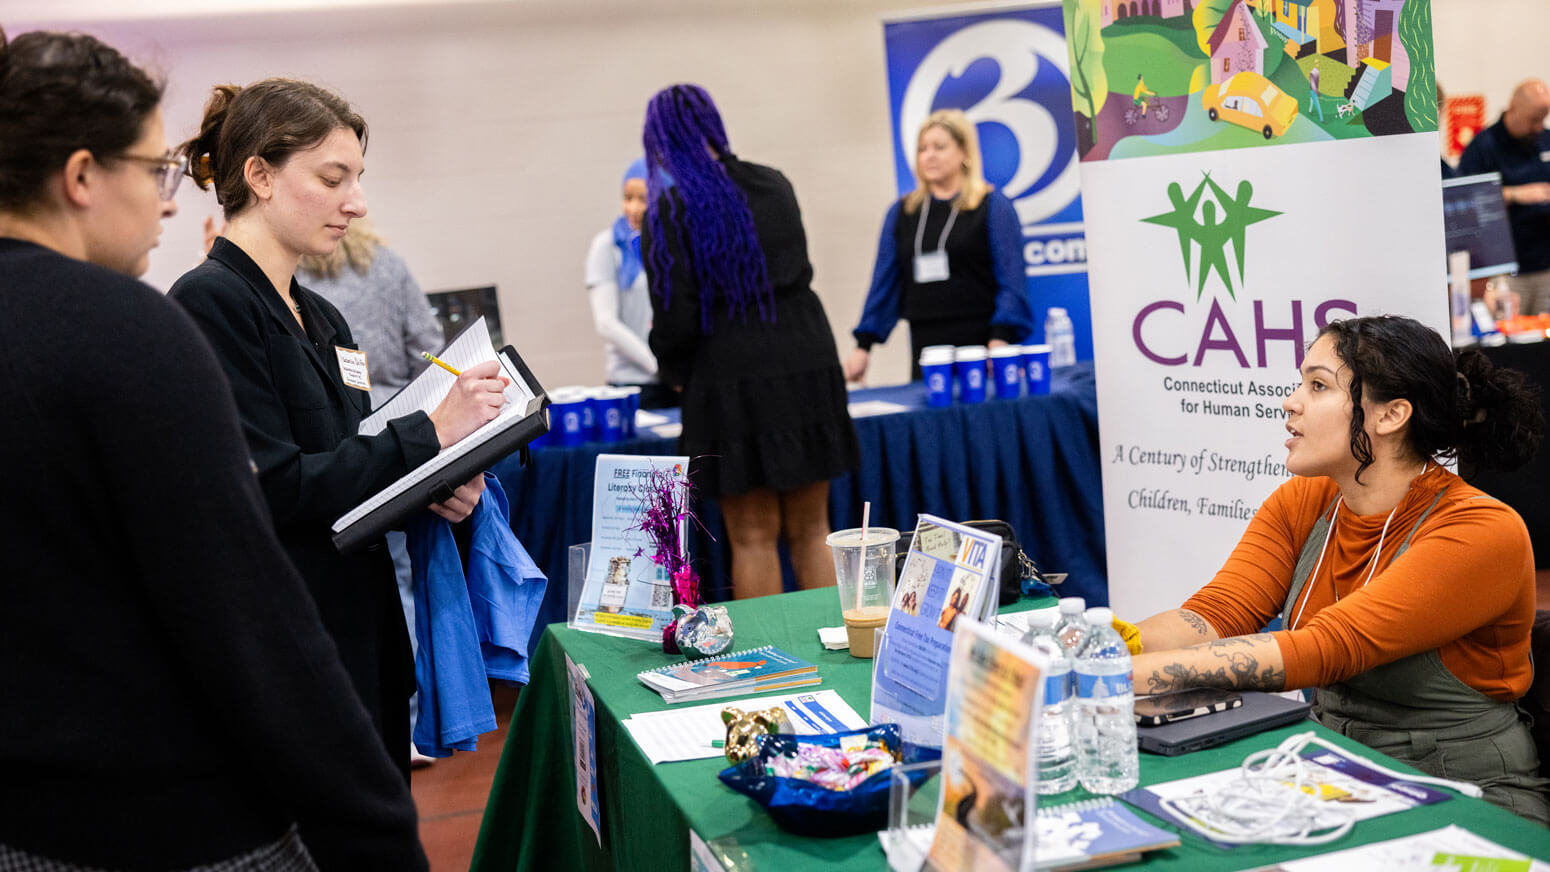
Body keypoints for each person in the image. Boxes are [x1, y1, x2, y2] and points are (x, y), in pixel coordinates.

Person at [0, 28, 426, 869]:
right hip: (149, 801)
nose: (169, 199)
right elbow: (239, 596)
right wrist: (372, 821)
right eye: (153, 171)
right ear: (83, 176)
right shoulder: (143, 326)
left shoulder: (316, 318)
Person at [170, 78, 508, 779]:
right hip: (288, 643)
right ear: (259, 175)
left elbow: (351, 470)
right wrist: (427, 436)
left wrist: (435, 485)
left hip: (363, 636)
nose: (356, 202)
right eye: (333, 178)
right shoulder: (209, 305)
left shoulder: (323, 319)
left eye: (357, 178)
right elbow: (275, 489)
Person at [1130, 316, 1548, 824]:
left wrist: (1113, 677)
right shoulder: (1306, 499)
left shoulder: (1481, 531)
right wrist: (1102, 645)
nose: (1291, 401)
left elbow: (1326, 650)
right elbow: (1216, 613)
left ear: (1391, 415)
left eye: (1318, 385)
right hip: (1338, 773)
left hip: (1464, 792)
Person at [642, 83, 860, 599]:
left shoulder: (671, 210)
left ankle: (772, 671)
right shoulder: (774, 184)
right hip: (806, 362)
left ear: (662, 144)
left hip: (730, 381)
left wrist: (671, 372)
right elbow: (799, 269)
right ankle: (833, 649)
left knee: (754, 537)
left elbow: (677, 319)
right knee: (813, 529)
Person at [297, 216, 445, 767]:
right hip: (401, 430)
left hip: (335, 447)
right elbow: (430, 353)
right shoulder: (388, 265)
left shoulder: (291, 283)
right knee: (402, 578)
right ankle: (411, 722)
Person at [844, 109, 1033, 383]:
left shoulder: (992, 206)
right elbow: (883, 284)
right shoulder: (902, 212)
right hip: (926, 346)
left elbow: (1012, 279)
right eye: (922, 149)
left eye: (939, 147)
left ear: (964, 152)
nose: (929, 156)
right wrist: (863, 345)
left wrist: (1000, 338)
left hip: (982, 343)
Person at [586, 157, 674, 407]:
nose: (633, 209)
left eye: (644, 199)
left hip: (678, 381)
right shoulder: (607, 246)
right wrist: (658, 367)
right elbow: (606, 323)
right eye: (628, 197)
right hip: (632, 385)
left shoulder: (675, 248)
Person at [1458, 79, 1550, 315]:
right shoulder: (1483, 147)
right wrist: (1514, 194)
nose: (1538, 127)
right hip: (1506, 272)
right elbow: (1463, 200)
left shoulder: (1545, 140)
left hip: (1545, 267)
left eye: (1542, 119)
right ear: (1513, 108)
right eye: (1533, 120)